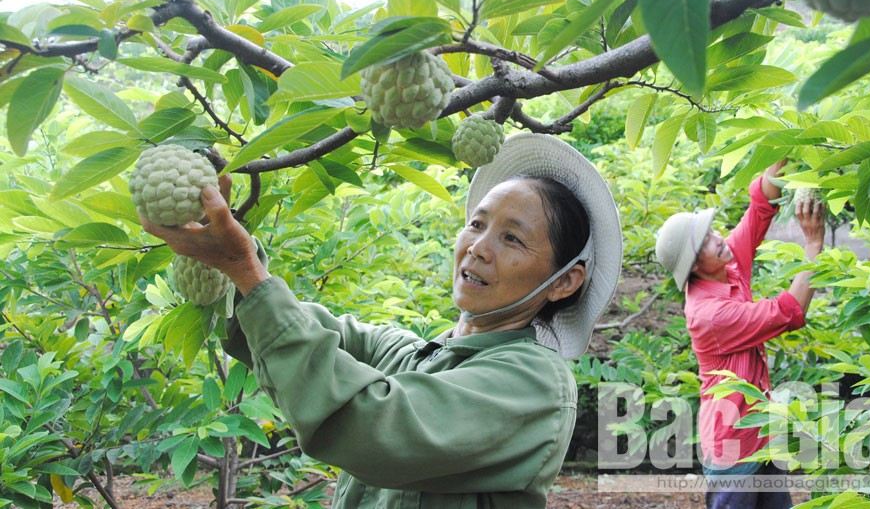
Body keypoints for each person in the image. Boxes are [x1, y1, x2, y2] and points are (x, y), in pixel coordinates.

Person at [142, 133, 623, 508]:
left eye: (512, 239)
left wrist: (244, 267)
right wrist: (228, 248)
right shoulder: (415, 353)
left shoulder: (533, 386)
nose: (477, 247)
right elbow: (294, 329)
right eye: (477, 224)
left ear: (564, 282)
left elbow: (370, 426)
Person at [654, 159, 826, 509]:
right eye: (706, 240)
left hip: (762, 432)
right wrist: (814, 244)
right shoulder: (710, 314)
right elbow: (789, 310)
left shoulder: (725, 266)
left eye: (713, 231)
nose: (718, 238)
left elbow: (760, 209)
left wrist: (782, 153)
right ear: (693, 267)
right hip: (733, 447)